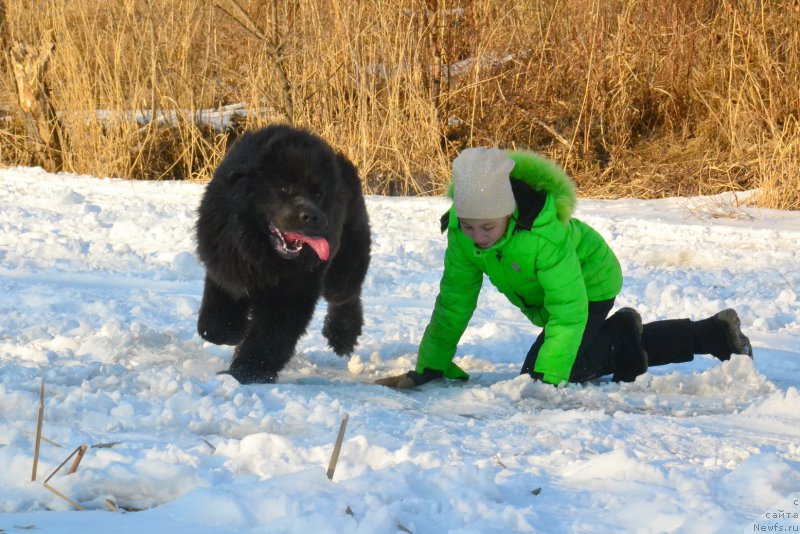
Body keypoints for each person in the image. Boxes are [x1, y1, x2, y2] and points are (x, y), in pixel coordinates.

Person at [376, 147, 753, 389]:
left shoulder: (543, 237)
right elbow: (454, 302)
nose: (478, 236)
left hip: (591, 282)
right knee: (561, 363)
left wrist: (548, 377)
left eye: (487, 227)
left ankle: (642, 333)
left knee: (551, 373)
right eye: (469, 225)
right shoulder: (463, 235)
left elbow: (569, 310)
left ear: (508, 213)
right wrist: (431, 365)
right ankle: (713, 333)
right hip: (562, 296)